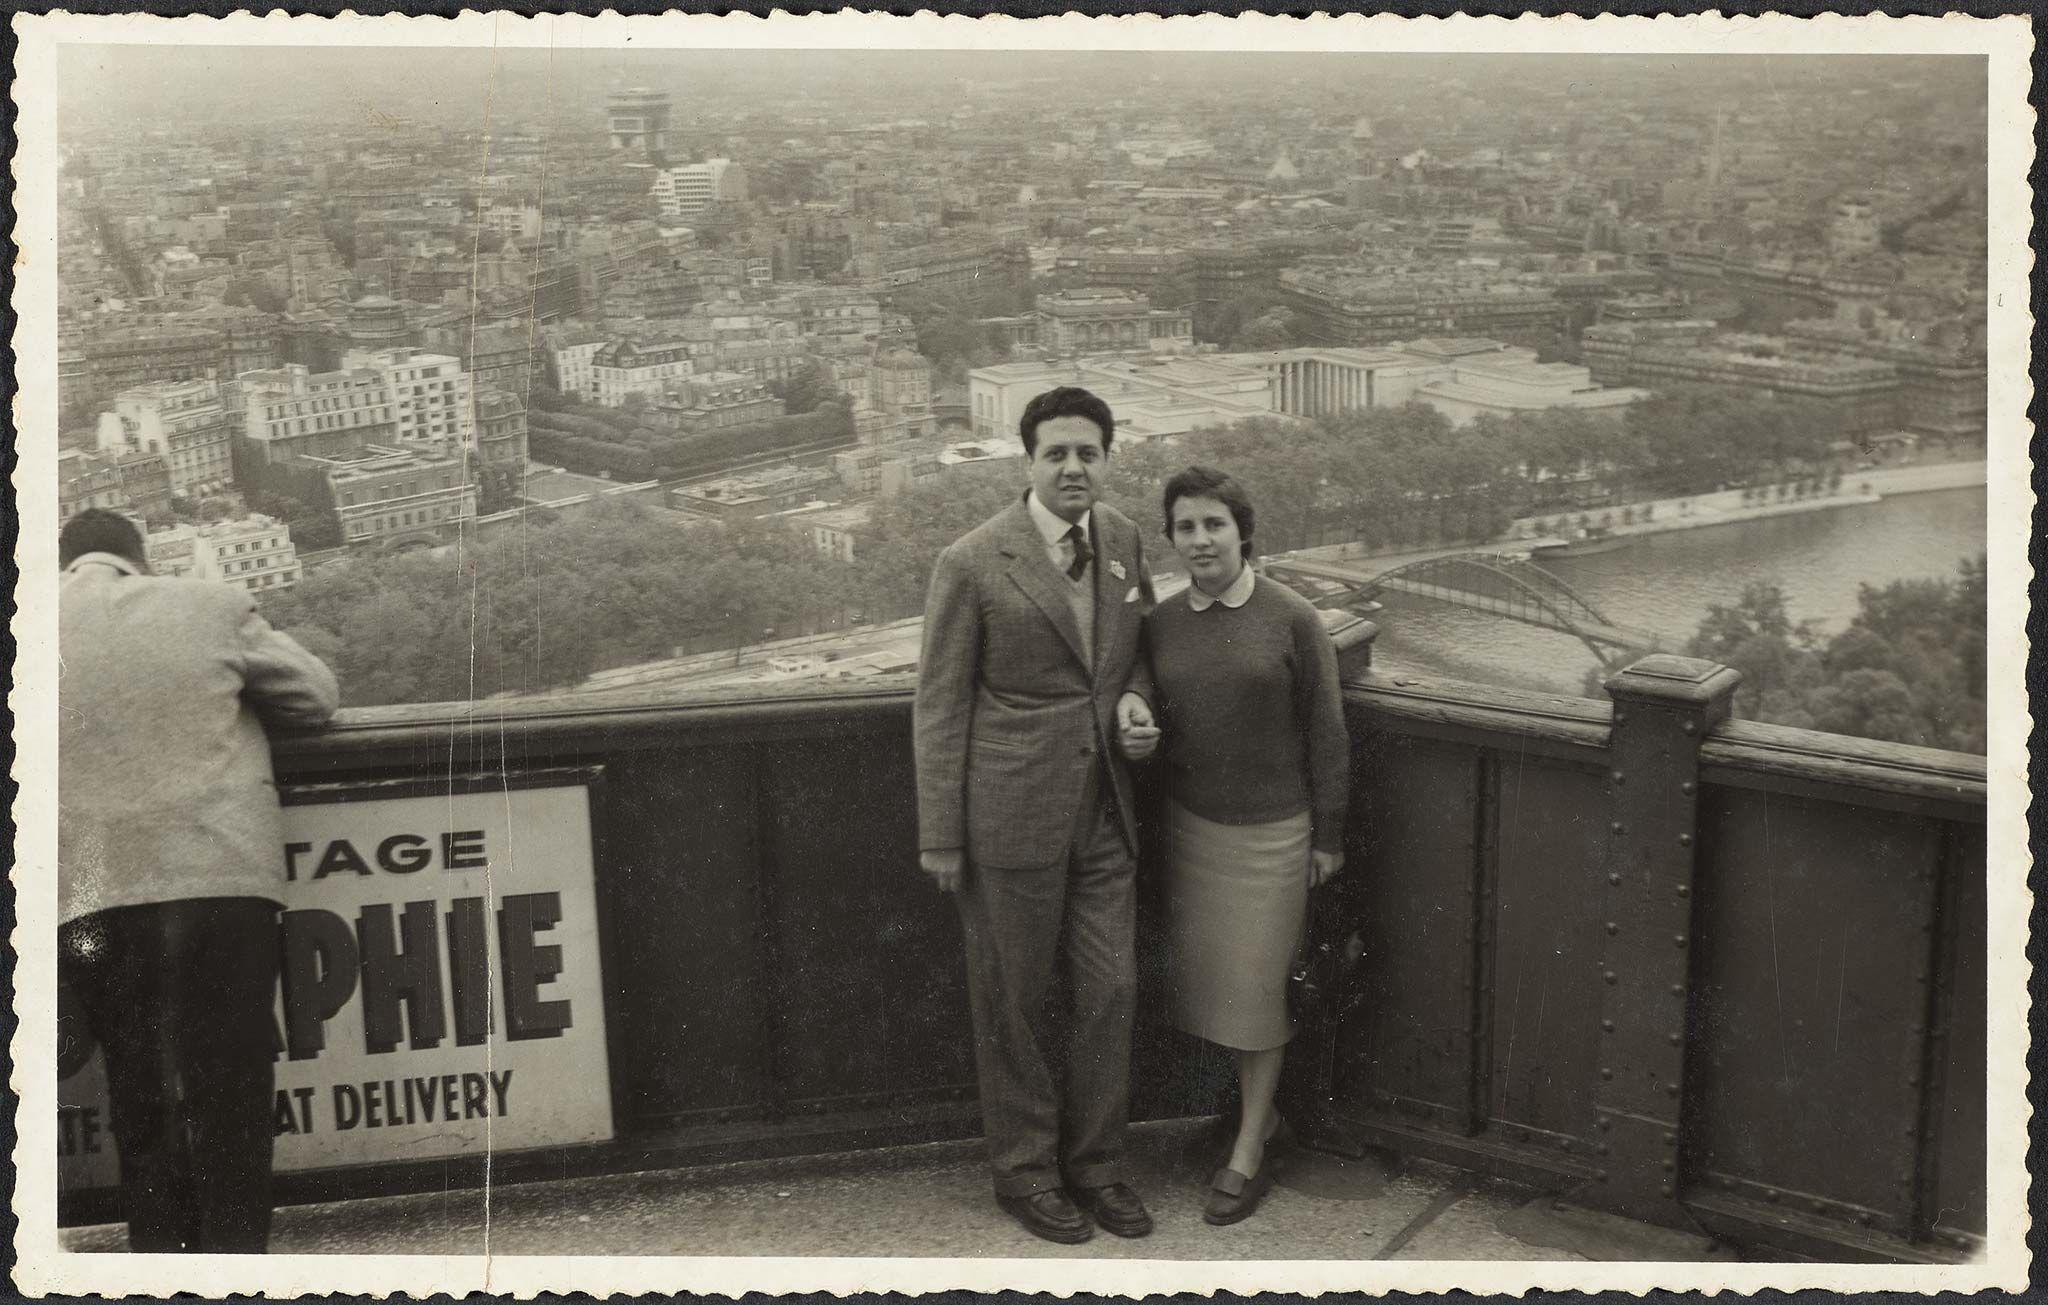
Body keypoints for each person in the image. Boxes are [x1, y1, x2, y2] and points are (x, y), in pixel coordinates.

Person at [913, 386, 1162, 1244]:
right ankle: (1024, 1173)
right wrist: (941, 834)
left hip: (1106, 814)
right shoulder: (973, 560)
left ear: (1107, 459)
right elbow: (940, 704)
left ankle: (1098, 1166)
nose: (1073, 468)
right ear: (1028, 462)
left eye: (1088, 452)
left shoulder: (1124, 539)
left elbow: (1137, 654)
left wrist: (1134, 699)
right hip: (1011, 815)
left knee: (1112, 988)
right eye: (1056, 453)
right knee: (1012, 1003)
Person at [57, 508, 340, 1252]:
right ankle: (235, 1266)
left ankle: (163, 1266)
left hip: (91, 894)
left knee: (140, 1095)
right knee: (233, 1094)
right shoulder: (207, 603)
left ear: (64, 566)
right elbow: (314, 697)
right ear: (140, 557)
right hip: (220, 878)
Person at [1141, 465, 1350, 1226]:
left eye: (1214, 524)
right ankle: (1255, 1116)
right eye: (1186, 527)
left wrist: (1328, 836)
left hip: (1274, 836)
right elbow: (1140, 689)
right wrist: (1134, 709)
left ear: (1242, 532)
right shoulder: (1162, 621)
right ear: (1172, 538)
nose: (1200, 539)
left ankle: (1250, 1145)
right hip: (1192, 830)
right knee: (1215, 989)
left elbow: (1327, 732)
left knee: (1260, 997)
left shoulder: (1294, 617)